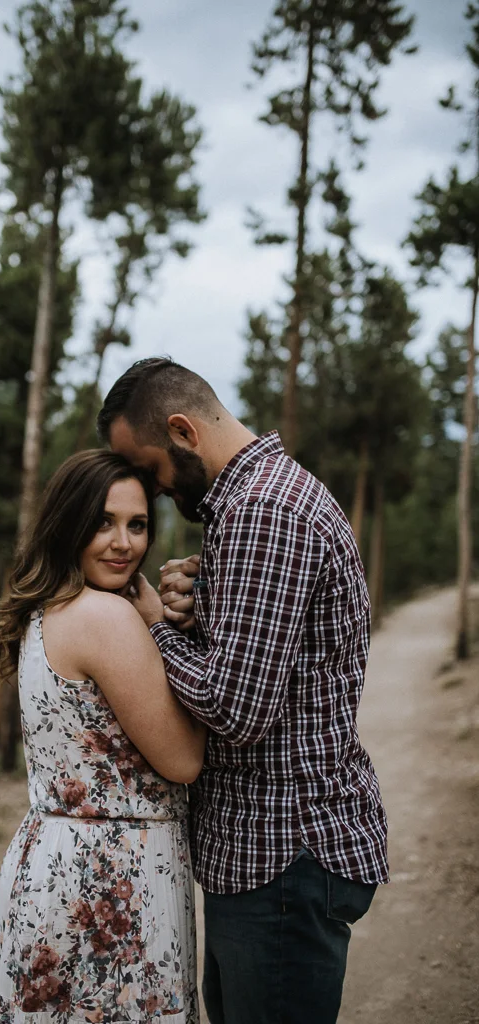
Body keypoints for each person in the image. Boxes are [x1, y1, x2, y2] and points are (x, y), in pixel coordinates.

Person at [98, 357, 389, 1024]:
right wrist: (196, 608)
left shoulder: (263, 510)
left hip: (283, 854)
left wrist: (152, 626)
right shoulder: (251, 505)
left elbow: (235, 707)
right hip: (265, 856)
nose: (154, 489)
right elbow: (264, 658)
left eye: (149, 469)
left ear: (181, 431)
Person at [0, 449, 204, 1024]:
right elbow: (182, 760)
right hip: (109, 877)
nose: (123, 543)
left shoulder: (46, 610)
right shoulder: (107, 618)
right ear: (69, 523)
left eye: (137, 524)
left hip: (49, 861)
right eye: (103, 522)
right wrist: (162, 625)